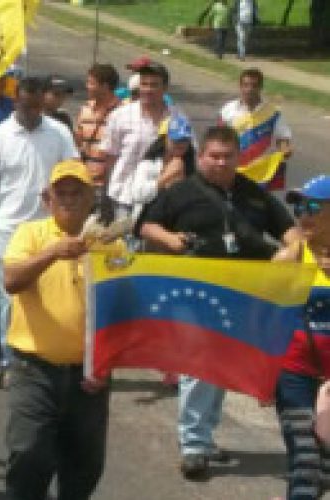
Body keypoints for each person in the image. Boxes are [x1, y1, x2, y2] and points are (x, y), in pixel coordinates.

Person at [139, 125, 298, 480]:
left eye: (228, 157)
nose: (220, 163)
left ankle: (205, 438)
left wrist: (291, 251)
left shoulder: (252, 194)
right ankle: (193, 444)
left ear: (239, 157)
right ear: (203, 155)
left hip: (241, 293)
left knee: (221, 368)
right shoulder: (181, 192)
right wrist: (170, 238)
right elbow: (145, 226)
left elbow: (288, 229)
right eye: (213, 156)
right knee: (199, 366)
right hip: (196, 292)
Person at [3, 159, 120, 500]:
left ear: (90, 199)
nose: (68, 199)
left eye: (76, 193)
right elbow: (12, 281)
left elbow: (121, 313)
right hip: (35, 370)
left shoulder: (110, 245)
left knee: (84, 465)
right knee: (28, 454)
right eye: (61, 193)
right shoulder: (31, 234)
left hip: (89, 377)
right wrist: (53, 253)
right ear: (47, 200)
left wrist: (105, 365)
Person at [0, 76, 80, 387]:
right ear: (15, 101)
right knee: (9, 297)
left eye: (37, 106)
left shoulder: (59, 133)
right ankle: (11, 361)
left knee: (49, 292)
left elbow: (75, 175)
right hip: (9, 228)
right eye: (25, 104)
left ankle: (44, 352)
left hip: (50, 228)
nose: (32, 111)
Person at [272, 175, 330, 500]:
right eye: (297, 207)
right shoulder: (290, 257)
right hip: (294, 370)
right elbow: (262, 312)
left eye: (312, 207)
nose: (302, 216)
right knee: (304, 456)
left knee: (323, 463)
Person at [102, 62, 182, 217]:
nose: (148, 90)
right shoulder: (120, 116)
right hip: (125, 198)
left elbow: (188, 156)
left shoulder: (178, 118)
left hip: (162, 199)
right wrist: (106, 198)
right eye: (144, 84)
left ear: (165, 88)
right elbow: (111, 158)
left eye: (154, 85)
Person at [219, 68, 294, 190]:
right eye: (246, 85)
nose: (249, 90)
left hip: (260, 172)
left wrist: (285, 149)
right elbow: (219, 138)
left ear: (260, 87)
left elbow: (283, 137)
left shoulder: (272, 113)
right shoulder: (228, 110)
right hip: (233, 168)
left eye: (254, 86)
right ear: (240, 86)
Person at [127, 114, 196, 216]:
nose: (180, 144)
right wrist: (166, 176)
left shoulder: (193, 166)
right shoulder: (148, 164)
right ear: (164, 139)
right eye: (176, 139)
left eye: (184, 140)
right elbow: (137, 195)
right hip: (147, 221)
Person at [74, 64, 122, 186]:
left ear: (105, 86)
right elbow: (77, 142)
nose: (87, 87)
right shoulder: (85, 108)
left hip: (109, 182)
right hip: (83, 180)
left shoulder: (122, 112)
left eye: (91, 83)